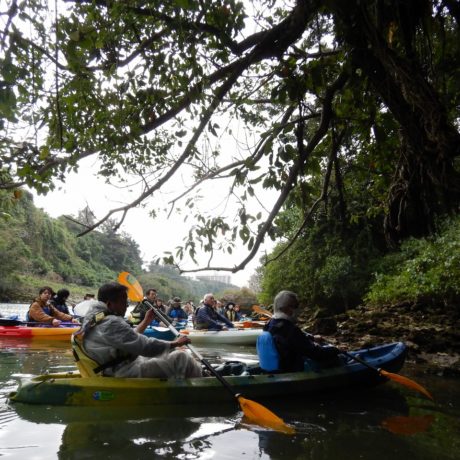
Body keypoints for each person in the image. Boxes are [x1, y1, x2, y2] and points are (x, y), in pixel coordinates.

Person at [78, 282, 202, 378]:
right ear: (110, 304)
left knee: (171, 351)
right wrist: (174, 343)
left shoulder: (95, 317)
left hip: (116, 366)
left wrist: (146, 320)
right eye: (123, 301)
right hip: (122, 371)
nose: (127, 304)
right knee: (181, 357)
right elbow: (144, 346)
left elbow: (128, 339)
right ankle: (203, 381)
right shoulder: (110, 322)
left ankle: (196, 373)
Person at [257, 290, 343, 373]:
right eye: (296, 306)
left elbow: (291, 340)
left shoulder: (270, 325)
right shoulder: (291, 329)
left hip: (279, 368)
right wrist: (336, 349)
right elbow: (317, 354)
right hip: (293, 370)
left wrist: (312, 338)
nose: (298, 310)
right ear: (285, 308)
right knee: (340, 359)